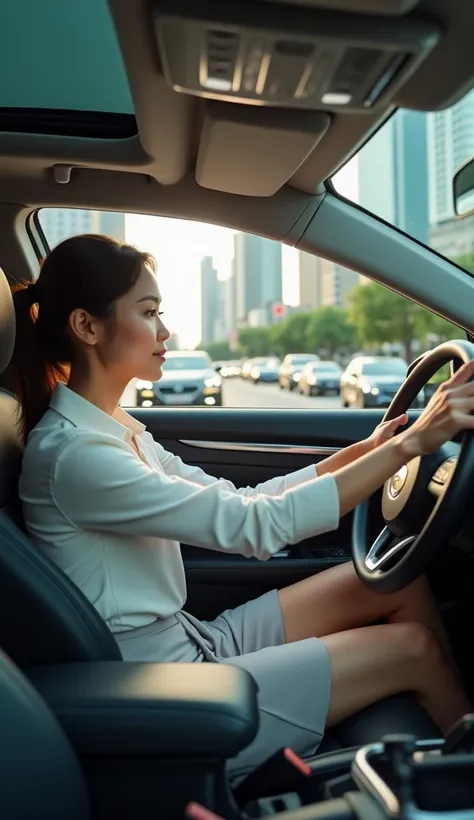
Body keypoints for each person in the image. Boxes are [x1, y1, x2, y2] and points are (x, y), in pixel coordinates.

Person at [10, 234, 473, 777]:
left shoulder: (114, 430)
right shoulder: (76, 455)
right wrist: (410, 445)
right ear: (87, 327)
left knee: (399, 581)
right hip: (164, 680)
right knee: (413, 647)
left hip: (194, 638)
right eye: (149, 312)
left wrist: (371, 450)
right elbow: (255, 527)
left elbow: (241, 500)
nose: (165, 330)